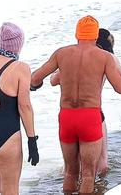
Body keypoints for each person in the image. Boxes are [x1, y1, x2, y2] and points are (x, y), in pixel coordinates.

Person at [30, 16, 121, 194]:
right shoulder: (105, 57)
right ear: (95, 36)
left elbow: (35, 79)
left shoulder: (61, 53)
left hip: (67, 117)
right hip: (90, 117)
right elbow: (120, 88)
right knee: (89, 175)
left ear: (77, 34)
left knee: (70, 172)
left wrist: (34, 86)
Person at [49, 28, 115, 177]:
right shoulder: (109, 59)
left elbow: (53, 81)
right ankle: (99, 189)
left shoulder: (74, 59)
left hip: (70, 115)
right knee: (101, 164)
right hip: (95, 114)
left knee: (72, 168)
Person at [0, 22, 38, 195]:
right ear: (19, 44)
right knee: (10, 191)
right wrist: (32, 141)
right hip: (8, 138)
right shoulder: (21, 68)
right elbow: (24, 106)